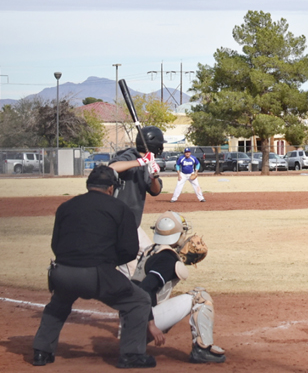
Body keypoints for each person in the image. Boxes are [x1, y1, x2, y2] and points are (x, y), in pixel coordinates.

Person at [32, 166, 156, 369]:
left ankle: (41, 352)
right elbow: (129, 250)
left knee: (58, 305)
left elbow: (56, 244)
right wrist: (108, 263)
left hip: (61, 272)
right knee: (139, 300)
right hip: (97, 274)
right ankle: (131, 355)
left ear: (89, 185)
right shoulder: (120, 208)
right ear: (111, 188)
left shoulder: (65, 207)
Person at [132, 211, 226, 364]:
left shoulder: (152, 250)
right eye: (183, 232)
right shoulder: (167, 259)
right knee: (199, 295)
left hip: (131, 319)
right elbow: (144, 289)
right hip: (142, 322)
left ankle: (136, 339)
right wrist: (151, 325)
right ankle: (202, 350)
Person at [110, 126, 165, 276]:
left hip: (133, 224)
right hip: (118, 224)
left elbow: (155, 191)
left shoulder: (149, 162)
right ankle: (131, 297)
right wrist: (140, 162)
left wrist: (154, 176)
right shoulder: (129, 156)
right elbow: (112, 167)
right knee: (131, 271)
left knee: (151, 256)